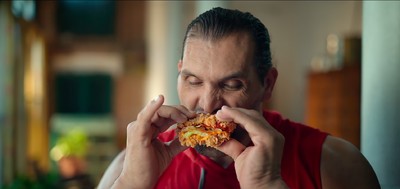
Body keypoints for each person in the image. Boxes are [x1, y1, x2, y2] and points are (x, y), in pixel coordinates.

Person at [97, 7, 380, 189]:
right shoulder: (130, 166)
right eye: (193, 81)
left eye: (231, 85)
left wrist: (268, 185)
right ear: (179, 73)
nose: (207, 104)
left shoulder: (336, 165)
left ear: (267, 84)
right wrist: (132, 184)